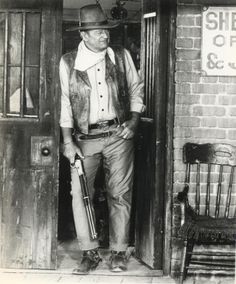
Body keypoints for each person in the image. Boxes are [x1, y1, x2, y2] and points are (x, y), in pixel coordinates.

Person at [59, 3, 144, 273]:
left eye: (106, 31)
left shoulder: (120, 56)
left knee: (120, 193)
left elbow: (136, 89)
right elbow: (64, 104)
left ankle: (118, 252)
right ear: (84, 34)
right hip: (85, 138)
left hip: (119, 135)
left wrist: (133, 121)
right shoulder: (68, 62)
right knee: (80, 195)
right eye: (98, 32)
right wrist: (68, 141)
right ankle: (90, 252)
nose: (104, 35)